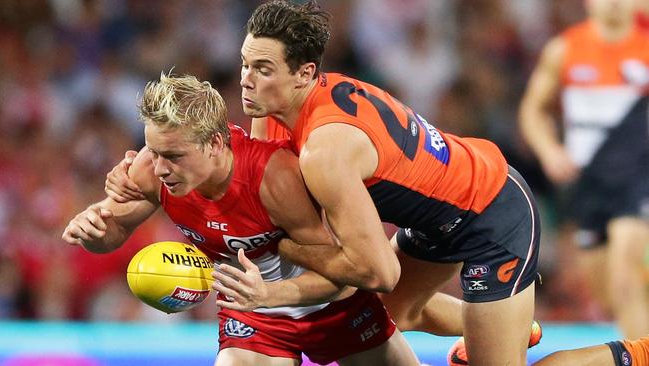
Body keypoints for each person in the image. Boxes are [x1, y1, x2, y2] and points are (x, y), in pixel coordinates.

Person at [102, 1, 543, 364]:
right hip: (434, 215)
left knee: (388, 303)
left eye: (263, 69)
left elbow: (378, 272)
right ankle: (494, 324)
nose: (245, 80)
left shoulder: (324, 151)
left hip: (490, 211)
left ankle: (609, 354)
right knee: (384, 314)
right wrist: (137, 179)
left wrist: (282, 256)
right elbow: (235, 178)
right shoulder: (279, 114)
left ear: (304, 73)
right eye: (244, 63)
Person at [62, 73, 420, 366]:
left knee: (421, 316)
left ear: (216, 144)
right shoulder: (151, 169)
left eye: (173, 156)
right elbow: (113, 231)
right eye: (153, 152)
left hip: (332, 307)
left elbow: (339, 276)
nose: (159, 168)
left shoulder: (275, 178)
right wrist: (93, 230)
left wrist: (270, 293)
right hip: (254, 317)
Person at [519, 0, 649, 339]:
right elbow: (533, 110)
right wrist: (549, 151)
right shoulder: (564, 49)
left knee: (625, 277)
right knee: (608, 296)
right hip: (589, 182)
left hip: (639, 179)